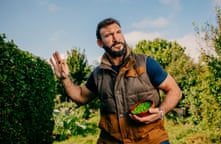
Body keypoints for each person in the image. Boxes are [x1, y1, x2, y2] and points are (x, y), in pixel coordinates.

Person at [50, 17, 182, 144]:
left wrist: (160, 112)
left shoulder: (146, 63)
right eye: (108, 35)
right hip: (111, 140)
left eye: (118, 32)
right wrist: (64, 79)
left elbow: (174, 91)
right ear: (100, 43)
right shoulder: (97, 74)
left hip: (151, 139)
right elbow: (80, 97)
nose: (116, 38)